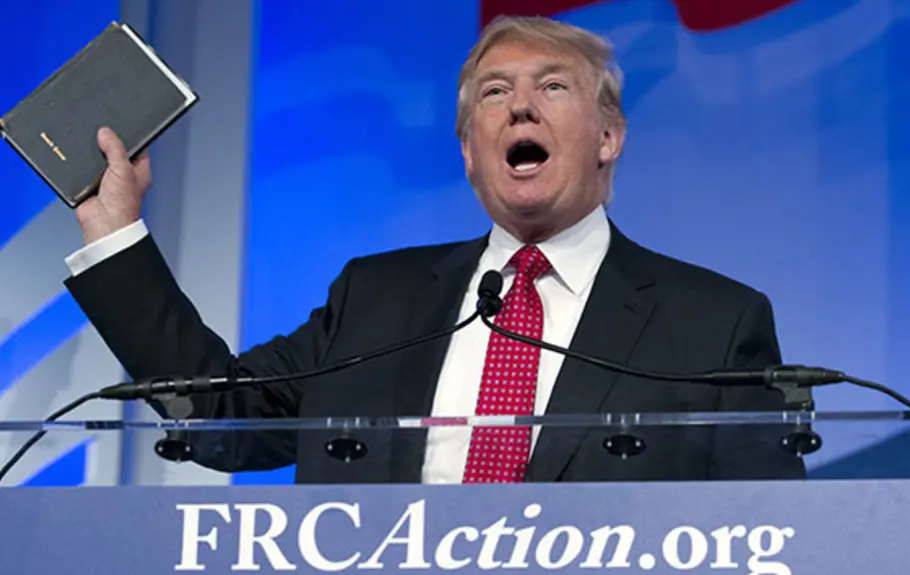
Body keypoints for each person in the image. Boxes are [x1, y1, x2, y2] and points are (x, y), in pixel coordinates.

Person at [62, 16, 805, 483]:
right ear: (469, 154)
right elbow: (220, 415)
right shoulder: (377, 298)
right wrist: (112, 229)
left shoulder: (714, 321)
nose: (520, 105)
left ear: (608, 137)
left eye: (552, 87)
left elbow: (764, 539)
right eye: (493, 93)